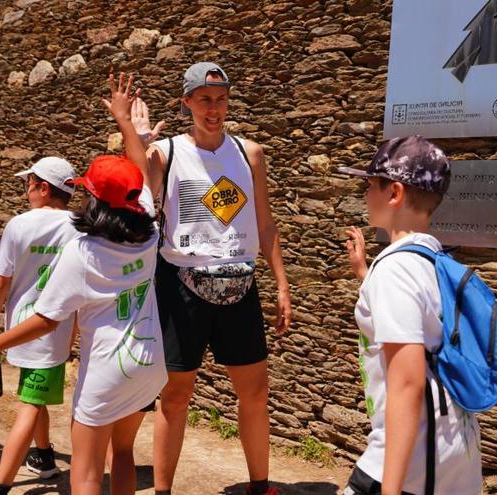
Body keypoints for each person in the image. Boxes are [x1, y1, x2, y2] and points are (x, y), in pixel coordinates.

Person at [0, 73, 167, 495]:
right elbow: (141, 174)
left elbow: (45, 321)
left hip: (107, 370)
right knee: (125, 453)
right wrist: (127, 124)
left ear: (92, 199)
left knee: (88, 472)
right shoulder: (150, 229)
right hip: (150, 361)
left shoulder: (83, 252)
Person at [131, 62, 291, 495]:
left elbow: (265, 221)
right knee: (177, 395)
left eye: (220, 99)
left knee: (255, 391)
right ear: (187, 102)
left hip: (239, 279)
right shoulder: (164, 152)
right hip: (180, 281)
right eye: (204, 99)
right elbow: (139, 188)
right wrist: (137, 136)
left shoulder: (248, 153)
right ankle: (163, 490)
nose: (214, 108)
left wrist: (281, 283)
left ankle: (261, 486)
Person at [339, 135, 483, 495]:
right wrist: (364, 274)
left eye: (371, 184)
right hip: (453, 451)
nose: (365, 193)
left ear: (395, 193)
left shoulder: (395, 270)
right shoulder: (434, 261)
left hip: (410, 461)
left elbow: (407, 384)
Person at [0, 156, 80, 494]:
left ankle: (1, 485)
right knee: (32, 395)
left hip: (21, 328)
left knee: (29, 402)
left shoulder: (18, 225)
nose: (26, 189)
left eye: (29, 183)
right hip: (55, 329)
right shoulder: (79, 227)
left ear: (42, 187)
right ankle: (43, 458)